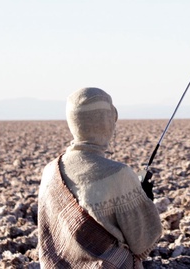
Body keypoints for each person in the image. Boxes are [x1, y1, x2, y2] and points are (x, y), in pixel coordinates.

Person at [38, 87, 163, 268]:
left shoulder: (50, 171)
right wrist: (144, 200)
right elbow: (143, 243)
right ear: (107, 122)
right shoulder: (118, 174)